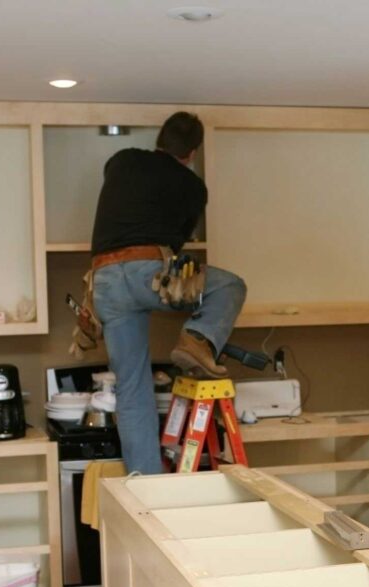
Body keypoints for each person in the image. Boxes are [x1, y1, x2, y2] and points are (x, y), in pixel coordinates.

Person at [90, 111, 246, 474]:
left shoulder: (123, 159)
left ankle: (146, 483)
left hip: (104, 282)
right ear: (192, 152)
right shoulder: (193, 188)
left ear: (159, 140)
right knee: (230, 285)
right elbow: (174, 247)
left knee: (131, 390)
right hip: (146, 272)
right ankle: (198, 339)